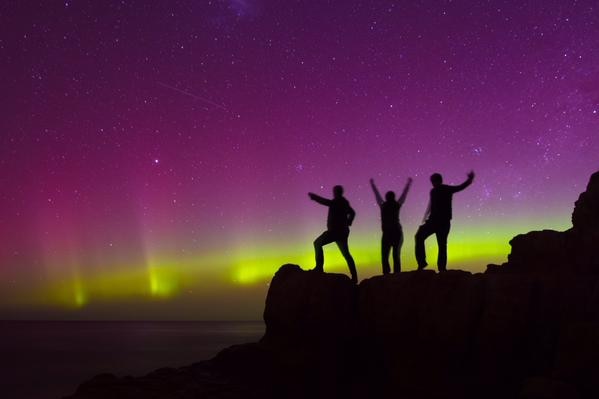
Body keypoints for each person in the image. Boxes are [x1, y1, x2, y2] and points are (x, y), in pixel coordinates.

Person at [415, 171, 475, 271]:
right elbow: (432, 205)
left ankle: (436, 267)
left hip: (440, 222)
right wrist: (427, 216)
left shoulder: (445, 189)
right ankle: (427, 264)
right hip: (437, 222)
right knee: (428, 240)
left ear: (438, 181)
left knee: (440, 244)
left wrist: (469, 180)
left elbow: (460, 187)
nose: (433, 183)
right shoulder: (433, 191)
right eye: (432, 182)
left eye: (433, 181)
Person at [309, 185, 358, 283]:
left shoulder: (337, 202)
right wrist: (349, 222)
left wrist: (315, 197)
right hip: (342, 232)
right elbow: (352, 213)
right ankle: (355, 277)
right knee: (346, 254)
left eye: (335, 191)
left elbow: (326, 202)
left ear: (337, 192)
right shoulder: (344, 202)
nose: (334, 193)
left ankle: (319, 268)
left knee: (317, 243)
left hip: (335, 232)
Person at [370, 177, 412, 274]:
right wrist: (408, 185)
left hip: (391, 233)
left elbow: (377, 196)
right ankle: (393, 274)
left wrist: (373, 185)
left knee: (387, 256)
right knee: (393, 255)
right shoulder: (394, 205)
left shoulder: (385, 205)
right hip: (394, 232)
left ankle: (389, 274)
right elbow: (403, 196)